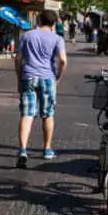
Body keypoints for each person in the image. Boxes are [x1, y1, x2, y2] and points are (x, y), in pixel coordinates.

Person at [15, 9, 67, 168]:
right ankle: (46, 149)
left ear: (38, 20)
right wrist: (58, 77)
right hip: (47, 78)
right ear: (54, 23)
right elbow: (63, 60)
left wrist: (19, 76)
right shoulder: (57, 38)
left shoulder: (27, 35)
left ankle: (23, 150)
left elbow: (18, 58)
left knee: (27, 114)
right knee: (47, 114)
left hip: (28, 77)